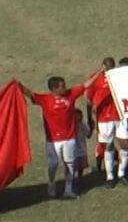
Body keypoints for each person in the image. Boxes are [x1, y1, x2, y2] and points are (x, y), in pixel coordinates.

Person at [19, 69, 102, 198]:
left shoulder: (71, 94)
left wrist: (100, 72)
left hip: (70, 138)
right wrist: (18, 85)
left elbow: (86, 84)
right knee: (53, 164)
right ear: (54, 89)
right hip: (53, 140)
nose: (65, 87)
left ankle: (68, 190)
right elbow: (30, 94)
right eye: (62, 86)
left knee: (69, 164)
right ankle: (51, 183)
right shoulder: (45, 99)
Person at [86, 57, 128, 188]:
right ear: (102, 66)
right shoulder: (95, 79)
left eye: (111, 67)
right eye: (106, 68)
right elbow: (88, 99)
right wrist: (90, 119)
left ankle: (122, 174)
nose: (109, 70)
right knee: (108, 146)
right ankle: (110, 177)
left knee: (125, 144)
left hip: (121, 115)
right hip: (104, 118)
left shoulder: (119, 76)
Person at [74, 109, 90, 179]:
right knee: (74, 164)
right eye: (76, 115)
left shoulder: (83, 125)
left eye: (79, 115)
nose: (78, 117)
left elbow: (88, 135)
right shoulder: (71, 126)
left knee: (81, 164)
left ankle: (80, 176)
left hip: (82, 148)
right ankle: (73, 176)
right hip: (74, 149)